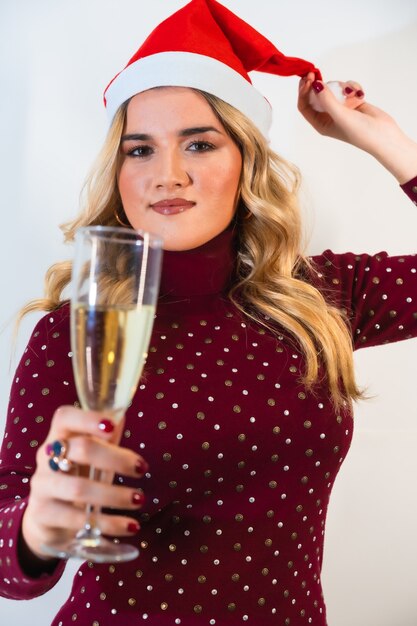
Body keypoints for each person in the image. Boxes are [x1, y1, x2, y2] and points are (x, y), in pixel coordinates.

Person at [0, 0, 416, 624]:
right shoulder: (78, 330)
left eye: (198, 144)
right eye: (140, 151)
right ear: (119, 174)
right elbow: (10, 549)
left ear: (245, 160)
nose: (168, 175)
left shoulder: (320, 297)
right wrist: (35, 528)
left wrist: (385, 141)